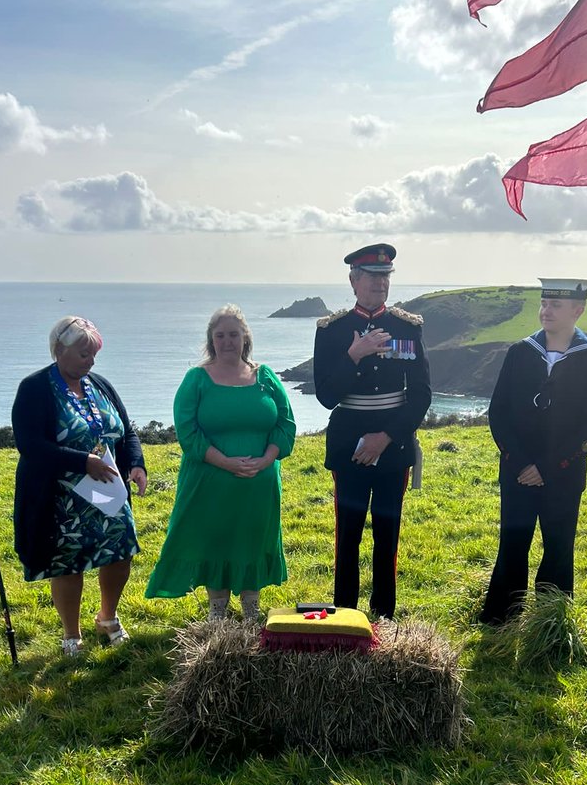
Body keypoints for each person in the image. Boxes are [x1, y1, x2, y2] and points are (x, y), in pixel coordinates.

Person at [146, 304, 296, 620]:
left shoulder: (266, 377)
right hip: (209, 482)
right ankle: (217, 610)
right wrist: (227, 463)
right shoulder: (196, 379)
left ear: (245, 338)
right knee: (215, 539)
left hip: (259, 483)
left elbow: (285, 424)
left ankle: (251, 609)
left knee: (253, 538)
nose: (227, 341)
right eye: (220, 335)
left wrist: (266, 460)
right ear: (211, 340)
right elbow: (188, 433)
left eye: (233, 334)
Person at [478, 278, 587, 626]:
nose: (546, 310)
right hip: (516, 470)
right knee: (512, 544)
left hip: (564, 475)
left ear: (578, 310)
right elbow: (499, 413)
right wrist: (521, 462)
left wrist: (549, 467)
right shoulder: (520, 352)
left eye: (555, 305)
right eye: (543, 303)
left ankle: (550, 623)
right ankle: (500, 619)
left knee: (558, 548)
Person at [12, 316, 147, 655]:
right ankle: (71, 634)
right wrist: (82, 461)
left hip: (109, 492)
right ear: (59, 350)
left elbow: (126, 430)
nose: (91, 361)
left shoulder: (100, 384)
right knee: (68, 563)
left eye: (93, 354)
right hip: (60, 499)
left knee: (119, 554)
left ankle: (108, 617)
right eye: (83, 354)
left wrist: (136, 464)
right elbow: (30, 445)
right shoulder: (35, 388)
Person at [313, 243, 432, 619]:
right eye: (372, 276)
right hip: (348, 446)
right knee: (347, 537)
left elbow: (422, 395)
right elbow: (327, 396)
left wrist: (386, 438)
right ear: (353, 281)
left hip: (392, 446)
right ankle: (346, 616)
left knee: (387, 534)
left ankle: (383, 617)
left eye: (385, 276)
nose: (380, 283)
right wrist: (354, 355)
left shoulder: (407, 327)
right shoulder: (333, 331)